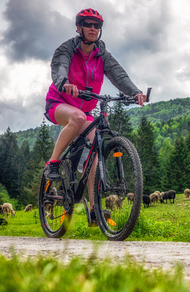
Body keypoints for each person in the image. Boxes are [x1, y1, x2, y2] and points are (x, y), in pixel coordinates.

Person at [44, 8, 145, 221]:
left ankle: (93, 211)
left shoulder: (102, 54)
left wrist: (134, 92)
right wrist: (64, 83)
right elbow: (59, 67)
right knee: (78, 118)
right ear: (79, 27)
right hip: (59, 103)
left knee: (95, 156)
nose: (93, 28)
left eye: (97, 26)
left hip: (86, 109)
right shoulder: (67, 49)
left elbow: (118, 75)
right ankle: (52, 164)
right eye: (88, 24)